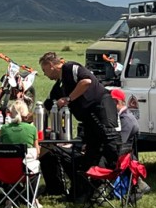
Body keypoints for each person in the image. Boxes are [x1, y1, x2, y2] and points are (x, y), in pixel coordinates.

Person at [39, 51, 120, 199]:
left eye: (44, 70)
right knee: (90, 153)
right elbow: (47, 104)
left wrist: (69, 98)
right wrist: (28, 118)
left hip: (101, 109)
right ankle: (86, 191)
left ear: (51, 65)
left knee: (110, 146)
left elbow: (86, 81)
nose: (45, 74)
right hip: (87, 119)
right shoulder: (59, 85)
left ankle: (131, 182)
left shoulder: (70, 68)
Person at [111, 88, 150, 195]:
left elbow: (121, 142)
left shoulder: (126, 119)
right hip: (128, 155)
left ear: (116, 102)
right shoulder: (125, 116)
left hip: (124, 155)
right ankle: (139, 184)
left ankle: (97, 190)